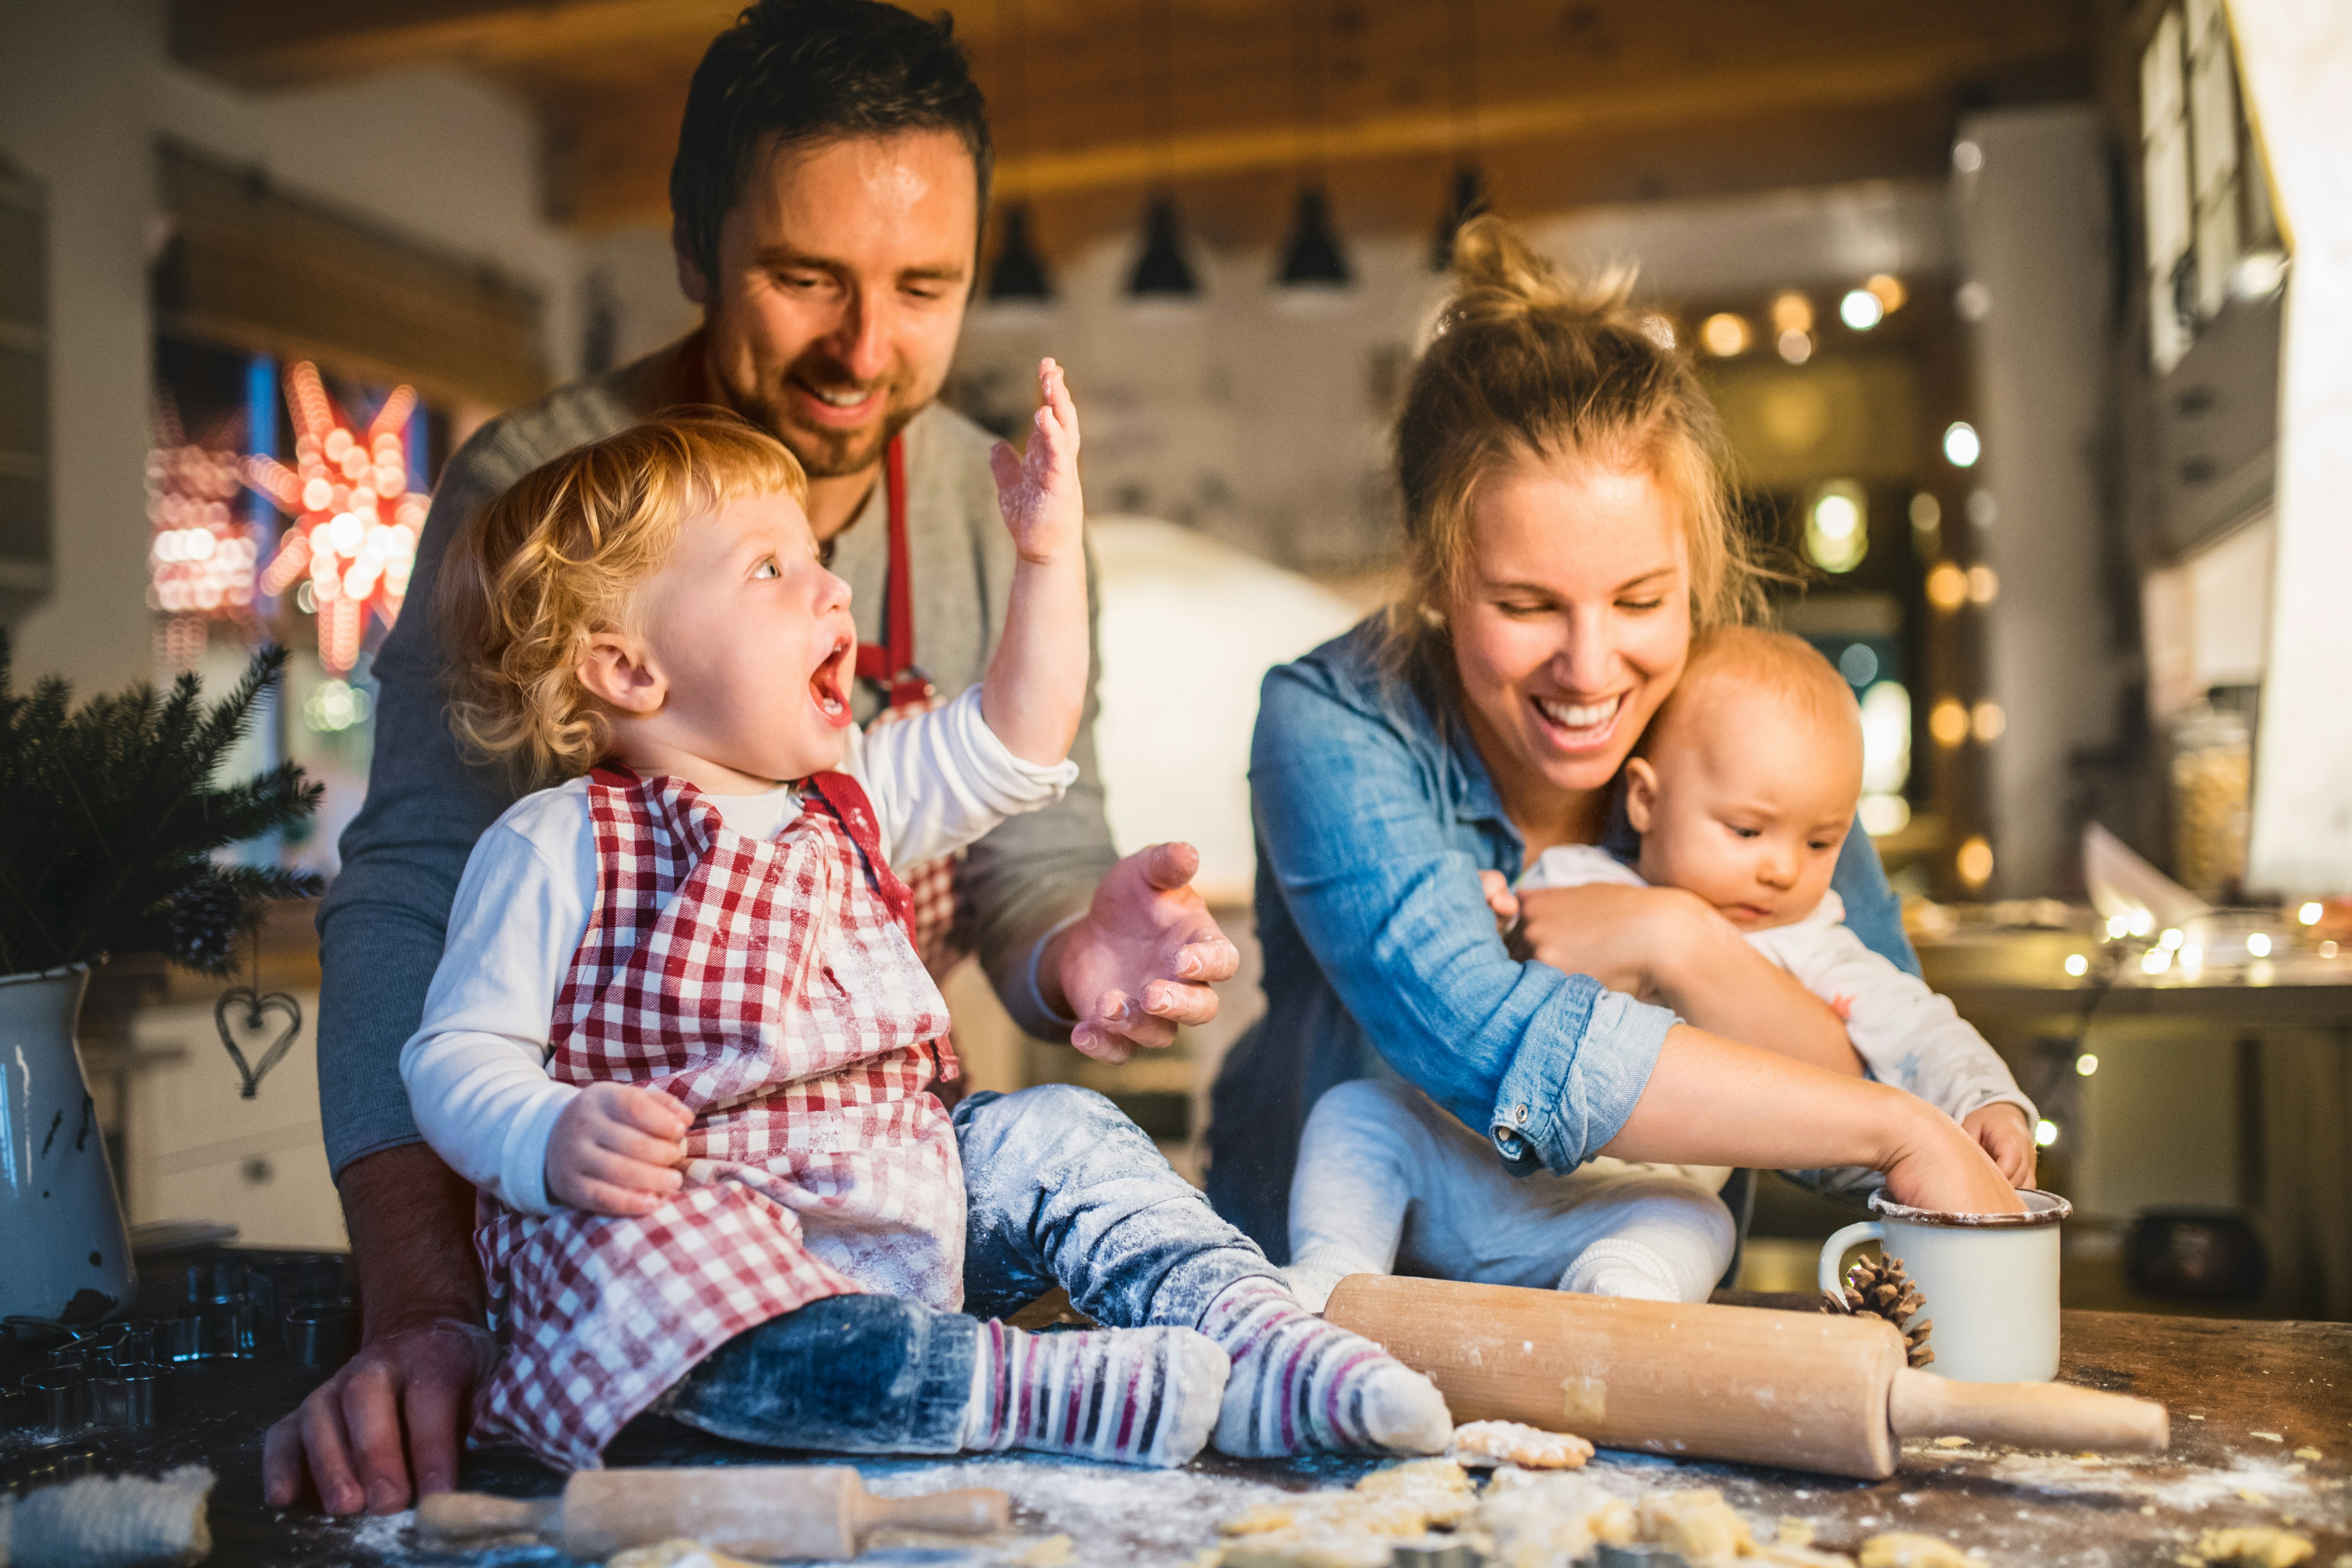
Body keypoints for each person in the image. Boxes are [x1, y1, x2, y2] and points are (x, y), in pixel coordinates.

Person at [269, 0, 1236, 1514]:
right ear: (690, 255)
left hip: (870, 1176)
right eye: (803, 279)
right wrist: (423, 1308)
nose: (867, 350)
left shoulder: (999, 519)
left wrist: (1082, 951)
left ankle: (1240, 1336)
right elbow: (410, 897)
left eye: (926, 287)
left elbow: (1026, 847)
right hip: (633, 1211)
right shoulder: (541, 499)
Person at [397, 387, 1448, 1473]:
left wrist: (1044, 558)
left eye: (816, 555)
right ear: (629, 669)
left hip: (903, 1196)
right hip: (701, 1228)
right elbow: (457, 1054)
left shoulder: (851, 789)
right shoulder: (558, 843)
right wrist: (543, 1137)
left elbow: (1015, 731)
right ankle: (1042, 1391)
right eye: (770, 569)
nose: (831, 586)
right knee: (632, 1283)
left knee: (1059, 1132)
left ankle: (1266, 1338)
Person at [1207, 215, 2022, 1263]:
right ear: (1436, 577)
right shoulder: (1332, 720)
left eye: (1640, 599)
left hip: (1631, 1297)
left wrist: (1671, 936)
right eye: (1527, 604)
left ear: (1697, 576)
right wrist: (1895, 1125)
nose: (1591, 669)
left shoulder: (1751, 722)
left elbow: (1874, 1062)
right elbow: (1492, 1040)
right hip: (1338, 1313)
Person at [1278, 627, 2038, 1312]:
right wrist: (1488, 919)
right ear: (1645, 800)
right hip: (1464, 1188)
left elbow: (1922, 1032)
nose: (1779, 869)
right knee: (1358, 1114)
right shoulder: (1575, 878)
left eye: (1820, 845)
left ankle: (1620, 1307)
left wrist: (1989, 1101)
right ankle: (1331, 1283)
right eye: (1746, 829)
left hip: (1621, 1209)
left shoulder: (1816, 947)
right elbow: (1486, 1004)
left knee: (1697, 1219)